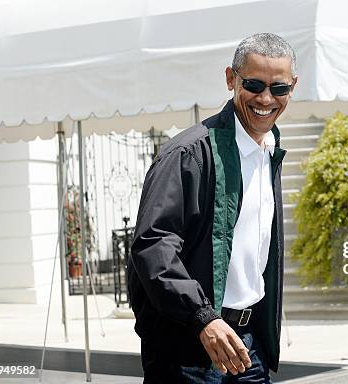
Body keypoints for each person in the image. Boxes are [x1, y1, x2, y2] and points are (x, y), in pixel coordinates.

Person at [128, 33, 297, 383]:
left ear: (292, 86)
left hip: (248, 347)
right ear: (230, 79)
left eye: (278, 88)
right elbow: (154, 245)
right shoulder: (188, 154)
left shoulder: (269, 150)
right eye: (253, 84)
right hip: (188, 347)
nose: (266, 98)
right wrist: (201, 316)